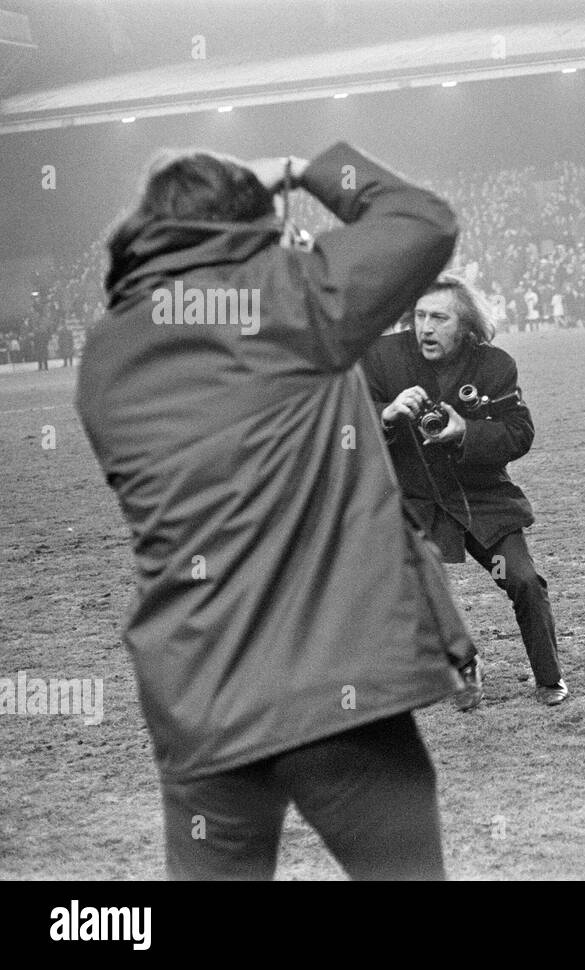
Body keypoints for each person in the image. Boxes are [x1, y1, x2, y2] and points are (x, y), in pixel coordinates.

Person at [75, 142, 471, 879]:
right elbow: (424, 219)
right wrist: (304, 167)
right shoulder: (288, 296)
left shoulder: (103, 356)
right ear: (247, 225)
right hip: (333, 689)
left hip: (198, 703)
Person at [363, 275, 569, 707]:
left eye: (439, 317)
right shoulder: (381, 358)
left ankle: (548, 677)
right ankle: (464, 663)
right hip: (416, 503)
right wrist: (386, 414)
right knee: (409, 590)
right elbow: (344, 424)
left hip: (481, 500)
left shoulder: (495, 366)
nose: (425, 327)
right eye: (419, 316)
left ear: (467, 324)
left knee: (524, 581)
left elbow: (519, 434)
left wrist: (465, 433)